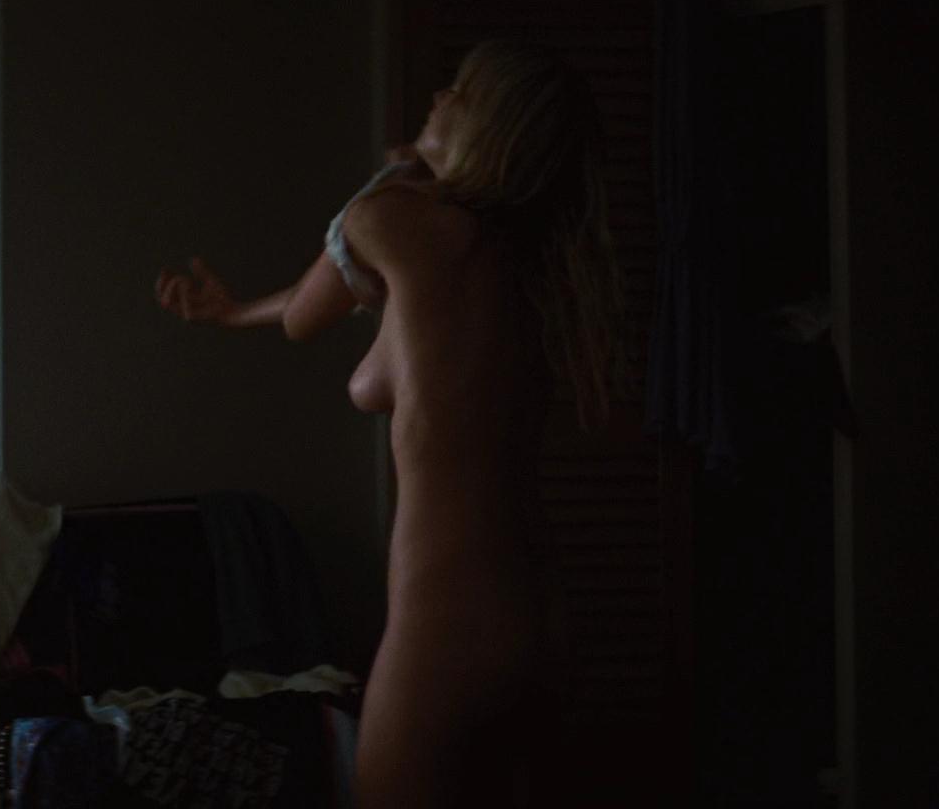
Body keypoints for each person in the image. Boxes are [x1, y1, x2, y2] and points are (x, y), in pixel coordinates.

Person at [155, 40, 622, 806]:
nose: (437, 98)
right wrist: (236, 311)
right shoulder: (528, 263)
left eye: (459, 92)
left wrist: (403, 175)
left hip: (449, 626)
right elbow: (380, 361)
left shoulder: (396, 218)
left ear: (488, 129)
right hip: (541, 619)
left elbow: (308, 315)